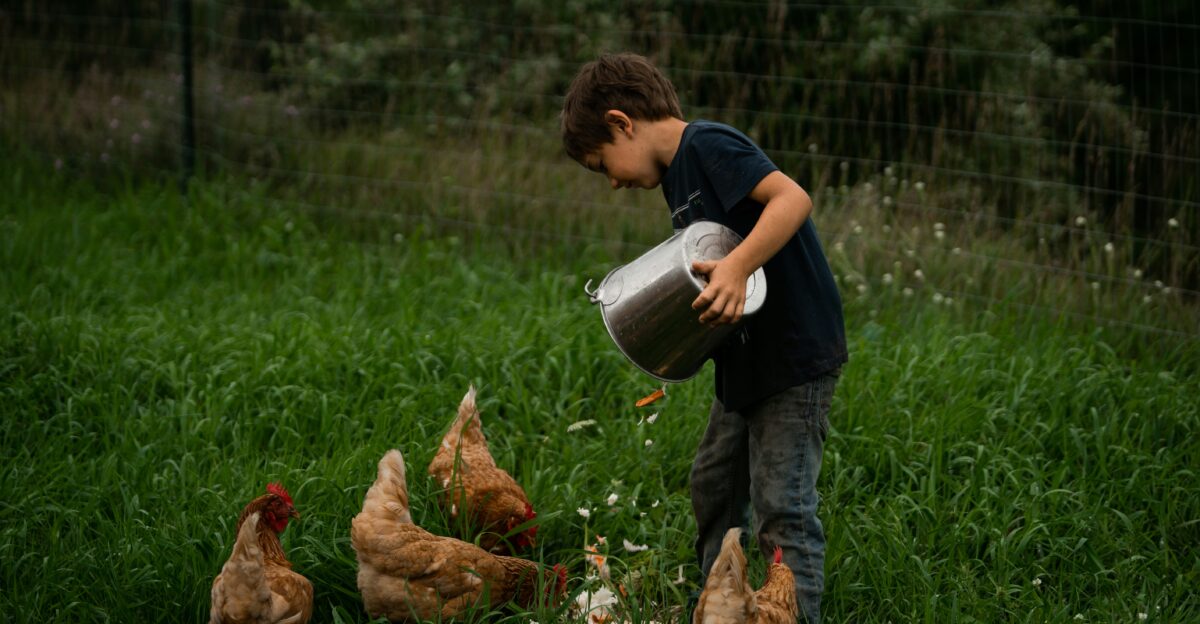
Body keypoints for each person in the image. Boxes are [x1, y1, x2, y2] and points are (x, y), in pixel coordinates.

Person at [561, 53, 847, 623]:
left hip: (792, 357)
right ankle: (719, 610)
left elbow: (792, 199)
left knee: (782, 507)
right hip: (743, 363)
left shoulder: (709, 145)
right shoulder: (677, 178)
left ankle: (798, 615)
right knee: (713, 482)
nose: (613, 182)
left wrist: (738, 267)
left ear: (623, 123)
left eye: (603, 165)